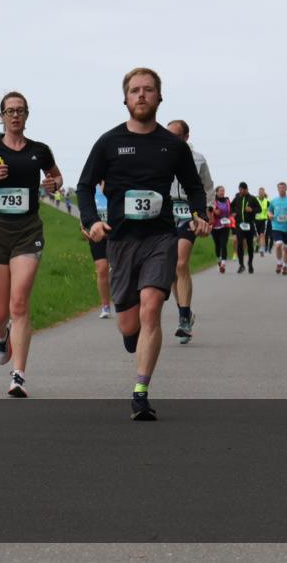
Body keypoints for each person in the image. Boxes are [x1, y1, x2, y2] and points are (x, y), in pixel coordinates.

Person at [77, 68, 209, 421]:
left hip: (160, 238)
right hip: (121, 240)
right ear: (125, 99)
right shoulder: (108, 142)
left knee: (151, 309)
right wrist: (91, 221)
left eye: (148, 90)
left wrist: (199, 214)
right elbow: (85, 186)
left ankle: (140, 392)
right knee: (128, 325)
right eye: (135, 90)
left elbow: (194, 186)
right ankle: (132, 335)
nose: (141, 95)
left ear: (159, 97)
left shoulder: (173, 145)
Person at [0, 91, 62, 398]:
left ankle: (18, 376)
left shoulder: (40, 150)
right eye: (10, 111)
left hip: (27, 232)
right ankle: (0, 335)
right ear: (2, 116)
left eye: (20, 110)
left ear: (27, 114)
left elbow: (56, 179)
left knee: (19, 303)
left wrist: (53, 185)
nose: (15, 115)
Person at [165, 119, 213, 342]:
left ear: (186, 137)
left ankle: (184, 319)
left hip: (189, 212)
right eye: (168, 134)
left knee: (181, 263)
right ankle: (185, 312)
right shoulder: (159, 155)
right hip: (166, 212)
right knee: (172, 268)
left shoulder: (198, 159)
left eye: (176, 135)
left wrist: (205, 213)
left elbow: (207, 187)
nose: (171, 139)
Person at [81, 182, 112, 319]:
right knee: (102, 269)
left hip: (115, 233)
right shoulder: (91, 187)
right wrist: (82, 226)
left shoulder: (116, 181)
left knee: (120, 268)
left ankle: (125, 301)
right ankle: (105, 306)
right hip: (97, 233)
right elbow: (85, 207)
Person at [231, 182, 259, 274]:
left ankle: (250, 264)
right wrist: (234, 213)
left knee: (250, 245)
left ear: (246, 189)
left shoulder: (252, 198)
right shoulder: (237, 197)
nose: (240, 191)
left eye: (241, 190)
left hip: (249, 225)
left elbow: (259, 209)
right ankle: (241, 265)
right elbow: (231, 206)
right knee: (240, 244)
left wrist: (252, 210)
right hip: (239, 225)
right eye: (239, 189)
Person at [267, 181, 287, 275]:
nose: (281, 189)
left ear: (286, 189)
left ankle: (285, 266)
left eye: (283, 187)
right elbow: (269, 211)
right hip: (276, 226)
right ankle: (279, 263)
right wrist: (270, 215)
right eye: (280, 188)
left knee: (286, 249)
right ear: (278, 189)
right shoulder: (274, 201)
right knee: (278, 244)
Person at [209, 186, 233, 273]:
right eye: (220, 191)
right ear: (216, 192)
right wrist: (214, 211)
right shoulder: (213, 201)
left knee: (223, 245)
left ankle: (223, 264)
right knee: (217, 245)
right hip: (215, 226)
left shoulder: (227, 201)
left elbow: (231, 211)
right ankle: (218, 258)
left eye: (223, 191)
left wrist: (232, 216)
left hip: (225, 225)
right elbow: (208, 210)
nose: (222, 192)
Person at [255, 187, 270, 257]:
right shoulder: (255, 200)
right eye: (260, 192)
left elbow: (270, 210)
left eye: (262, 192)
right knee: (257, 236)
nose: (261, 193)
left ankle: (262, 249)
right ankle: (257, 244)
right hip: (255, 220)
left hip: (264, 220)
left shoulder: (267, 201)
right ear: (258, 193)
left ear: (264, 193)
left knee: (262, 235)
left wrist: (269, 215)